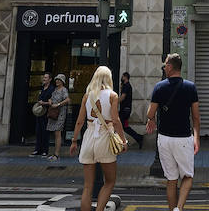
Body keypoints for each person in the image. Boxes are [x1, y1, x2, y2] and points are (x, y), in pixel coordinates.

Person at [147, 53, 200, 211]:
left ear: (170, 66)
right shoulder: (190, 87)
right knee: (188, 177)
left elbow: (150, 113)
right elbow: (196, 117)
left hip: (164, 139)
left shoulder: (159, 87)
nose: (164, 68)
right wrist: (196, 138)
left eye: (165, 65)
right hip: (183, 139)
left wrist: (152, 120)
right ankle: (179, 208)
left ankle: (173, 209)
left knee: (171, 180)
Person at [69, 66, 121, 211]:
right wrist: (123, 140)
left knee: (87, 185)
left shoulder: (87, 96)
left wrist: (74, 141)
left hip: (88, 137)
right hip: (104, 137)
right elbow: (116, 121)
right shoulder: (113, 96)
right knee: (110, 181)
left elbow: (79, 121)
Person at [45, 74, 69, 161]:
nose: (57, 81)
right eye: (56, 80)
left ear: (62, 81)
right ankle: (55, 153)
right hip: (54, 113)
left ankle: (57, 154)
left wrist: (58, 104)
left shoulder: (64, 90)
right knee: (55, 133)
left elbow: (67, 99)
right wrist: (50, 101)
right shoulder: (55, 90)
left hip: (60, 113)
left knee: (58, 133)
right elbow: (51, 98)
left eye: (59, 80)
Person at [118, 72, 143, 149]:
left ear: (125, 77)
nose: (121, 78)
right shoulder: (126, 86)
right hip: (125, 109)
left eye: (122, 76)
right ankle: (138, 137)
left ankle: (120, 143)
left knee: (119, 126)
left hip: (125, 110)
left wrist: (113, 102)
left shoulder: (127, 86)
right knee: (124, 127)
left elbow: (122, 97)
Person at [30, 72, 52, 157]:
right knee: (38, 131)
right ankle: (37, 149)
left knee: (45, 131)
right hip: (39, 113)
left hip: (46, 113)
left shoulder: (51, 89)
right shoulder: (42, 88)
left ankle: (45, 150)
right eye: (44, 77)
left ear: (50, 79)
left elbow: (51, 102)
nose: (44, 79)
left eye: (46, 77)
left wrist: (44, 103)